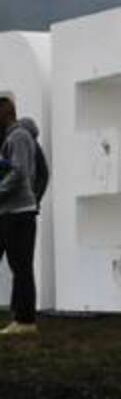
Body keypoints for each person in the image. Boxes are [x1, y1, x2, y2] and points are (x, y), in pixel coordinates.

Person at [0, 97, 41, 335]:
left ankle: (26, 321)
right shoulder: (11, 139)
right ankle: (21, 318)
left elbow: (18, 173)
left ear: (6, 113)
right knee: (19, 265)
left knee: (22, 266)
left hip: (19, 213)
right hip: (10, 212)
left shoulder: (18, 137)